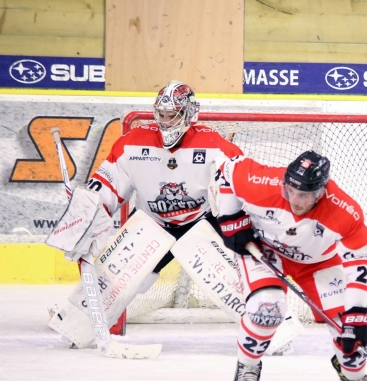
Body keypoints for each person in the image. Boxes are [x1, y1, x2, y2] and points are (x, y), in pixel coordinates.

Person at [47, 81, 243, 348]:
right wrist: (87, 214)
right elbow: (106, 188)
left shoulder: (216, 147)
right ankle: (77, 325)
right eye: (160, 114)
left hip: (202, 222)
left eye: (171, 115)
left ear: (189, 114)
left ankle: (268, 329)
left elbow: (241, 189)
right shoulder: (132, 144)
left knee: (235, 277)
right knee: (121, 281)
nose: (164, 121)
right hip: (153, 222)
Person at [213, 150, 367, 381]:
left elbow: (361, 262)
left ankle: (354, 377)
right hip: (265, 250)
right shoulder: (260, 180)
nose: (295, 200)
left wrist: (358, 313)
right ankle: (248, 365)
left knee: (346, 325)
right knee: (268, 307)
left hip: (318, 261)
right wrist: (229, 217)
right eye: (290, 191)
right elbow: (226, 169)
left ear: (321, 191)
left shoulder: (345, 211)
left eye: (305, 195)